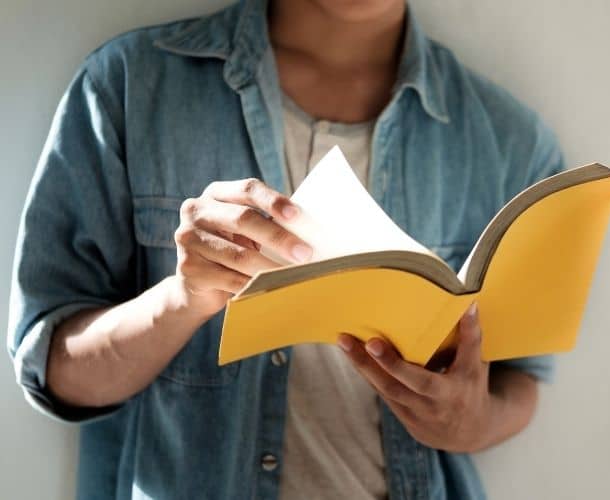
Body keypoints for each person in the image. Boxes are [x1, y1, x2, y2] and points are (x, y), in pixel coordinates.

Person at [7, 0, 565, 498]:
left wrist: (469, 423)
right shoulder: (128, 85)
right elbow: (53, 371)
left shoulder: (511, 143)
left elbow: (521, 378)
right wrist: (182, 298)